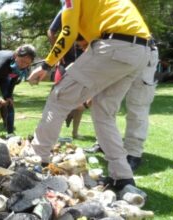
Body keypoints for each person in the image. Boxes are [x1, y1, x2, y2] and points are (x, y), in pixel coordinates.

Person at [27, 0, 155, 190]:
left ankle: (37, 161)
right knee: (103, 112)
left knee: (59, 97)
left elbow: (68, 31)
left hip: (115, 45)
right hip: (142, 51)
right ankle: (122, 177)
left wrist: (47, 64)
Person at [85, 40, 159, 171]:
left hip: (141, 50)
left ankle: (133, 153)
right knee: (104, 103)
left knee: (138, 105)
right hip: (116, 51)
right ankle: (104, 143)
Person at [0, 45, 36, 139]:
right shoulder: (4, 61)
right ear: (16, 55)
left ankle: (10, 134)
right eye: (22, 61)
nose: (23, 65)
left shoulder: (21, 67)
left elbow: (12, 83)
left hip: (4, 76)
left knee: (10, 102)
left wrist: (9, 96)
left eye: (27, 63)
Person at [47, 10, 88, 139]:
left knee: (81, 102)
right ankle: (53, 132)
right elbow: (50, 32)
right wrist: (58, 54)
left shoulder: (90, 12)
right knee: (59, 96)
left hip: (84, 63)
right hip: (66, 62)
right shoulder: (66, 9)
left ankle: (75, 132)